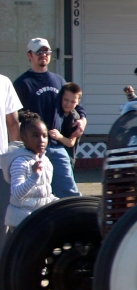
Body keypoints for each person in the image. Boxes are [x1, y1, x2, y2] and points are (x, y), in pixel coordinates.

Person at [13, 38, 84, 198]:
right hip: (31, 149)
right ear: (29, 55)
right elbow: (13, 117)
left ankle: (74, 222)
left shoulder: (59, 80)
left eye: (47, 52)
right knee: (35, 194)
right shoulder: (22, 83)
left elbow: (76, 103)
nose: (43, 55)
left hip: (56, 146)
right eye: (39, 52)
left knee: (69, 192)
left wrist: (82, 119)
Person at [1, 112, 58, 231]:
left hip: (39, 220)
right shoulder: (19, 162)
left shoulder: (46, 161)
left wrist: (60, 203)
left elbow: (44, 194)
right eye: (35, 136)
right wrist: (34, 176)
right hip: (21, 225)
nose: (41, 140)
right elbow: (16, 195)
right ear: (23, 138)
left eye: (44, 135)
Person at [0, 72, 22, 250]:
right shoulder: (3, 82)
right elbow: (13, 123)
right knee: (2, 220)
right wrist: (16, 155)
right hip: (2, 162)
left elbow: (14, 123)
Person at [48, 82, 83, 167]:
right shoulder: (56, 112)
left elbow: (71, 142)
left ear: (78, 102)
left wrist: (59, 136)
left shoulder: (75, 118)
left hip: (67, 158)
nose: (68, 104)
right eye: (66, 100)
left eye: (72, 102)